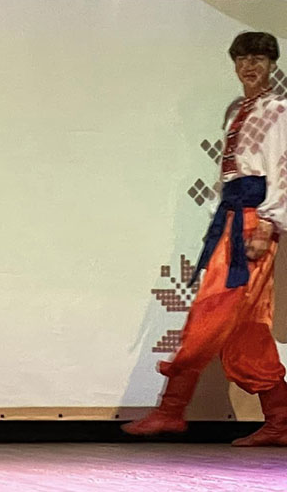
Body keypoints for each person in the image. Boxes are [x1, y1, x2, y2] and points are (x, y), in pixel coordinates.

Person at [123, 31, 287, 446]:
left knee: (210, 310)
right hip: (232, 217)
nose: (249, 66)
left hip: (252, 219)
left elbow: (282, 168)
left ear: (272, 64)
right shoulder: (237, 109)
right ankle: (281, 419)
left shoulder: (278, 109)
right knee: (246, 328)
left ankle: (171, 409)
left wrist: (268, 222)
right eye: (242, 59)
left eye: (259, 59)